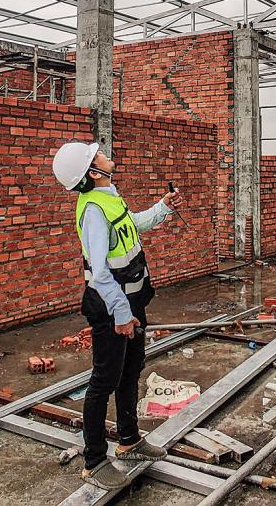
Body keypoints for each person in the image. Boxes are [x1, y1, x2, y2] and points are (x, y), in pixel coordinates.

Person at [51, 142, 183, 490]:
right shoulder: (93, 209)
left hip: (133, 301)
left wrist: (162, 208)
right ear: (94, 172)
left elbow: (133, 226)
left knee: (130, 371)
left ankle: (129, 441)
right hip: (112, 307)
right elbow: (99, 271)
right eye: (98, 155)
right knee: (103, 382)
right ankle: (94, 460)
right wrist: (122, 315)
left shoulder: (109, 195)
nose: (105, 153)